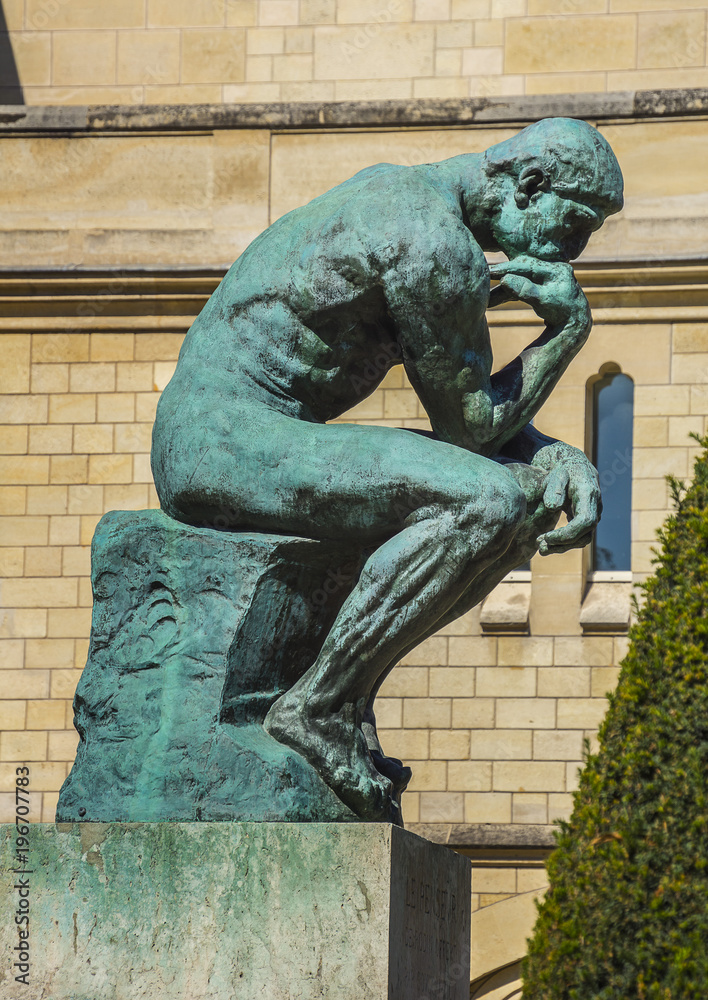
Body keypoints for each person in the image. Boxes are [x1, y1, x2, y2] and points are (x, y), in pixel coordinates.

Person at [151, 117, 624, 822]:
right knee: (488, 504)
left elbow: (471, 417)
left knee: (519, 499)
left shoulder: (411, 201)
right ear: (529, 184)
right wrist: (567, 331)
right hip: (219, 438)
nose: (575, 251)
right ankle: (320, 708)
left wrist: (551, 456)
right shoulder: (433, 243)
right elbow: (471, 429)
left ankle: (344, 693)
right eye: (577, 224)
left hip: (240, 434)